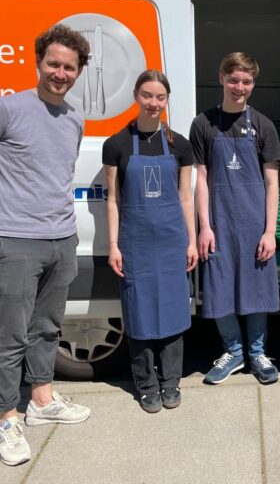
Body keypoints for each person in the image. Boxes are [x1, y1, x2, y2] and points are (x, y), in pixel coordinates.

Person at [0, 24, 92, 466]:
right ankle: (7, 418)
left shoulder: (74, 118)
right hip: (12, 241)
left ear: (79, 72)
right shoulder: (6, 109)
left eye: (69, 67)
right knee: (10, 336)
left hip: (60, 239)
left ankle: (42, 400)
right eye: (53, 64)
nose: (60, 73)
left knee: (47, 327)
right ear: (38, 62)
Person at [103, 70, 197, 414]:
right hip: (135, 243)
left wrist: (191, 241)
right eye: (147, 95)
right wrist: (113, 245)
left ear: (166, 100)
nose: (153, 103)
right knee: (139, 314)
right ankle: (146, 385)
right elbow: (113, 200)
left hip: (172, 241)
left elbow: (185, 198)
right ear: (136, 96)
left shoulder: (180, 145)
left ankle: (171, 381)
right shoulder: (116, 145)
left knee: (173, 312)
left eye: (159, 97)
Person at [189, 52, 280, 385]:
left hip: (254, 222)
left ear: (253, 84)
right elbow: (202, 178)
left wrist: (269, 231)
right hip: (219, 223)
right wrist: (205, 226)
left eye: (246, 81)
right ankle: (234, 352)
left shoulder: (263, 126)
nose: (239, 87)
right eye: (233, 79)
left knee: (256, 288)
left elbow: (272, 183)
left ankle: (257, 353)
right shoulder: (203, 124)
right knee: (220, 285)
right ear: (221, 78)